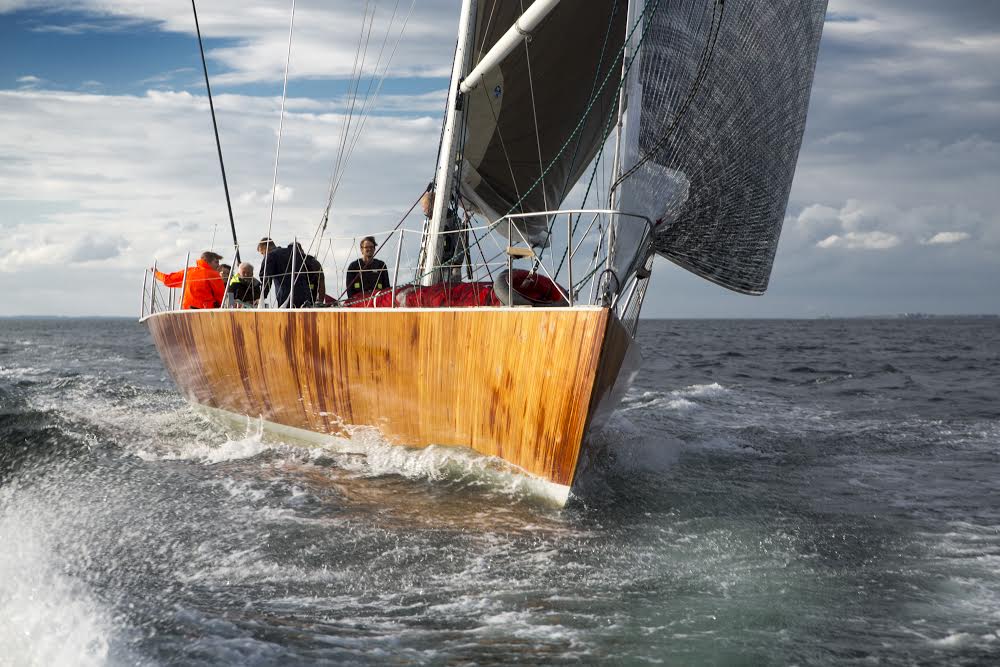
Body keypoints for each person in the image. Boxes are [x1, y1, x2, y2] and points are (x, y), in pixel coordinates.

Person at [150, 251, 225, 310]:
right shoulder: (213, 274)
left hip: (185, 309)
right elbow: (220, 296)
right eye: (216, 262)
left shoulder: (188, 271)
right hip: (205, 311)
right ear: (207, 262)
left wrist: (156, 273)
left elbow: (168, 280)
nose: (218, 265)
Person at [257, 237, 312, 308]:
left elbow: (265, 277)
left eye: (262, 253)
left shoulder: (270, 256)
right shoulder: (294, 252)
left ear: (265, 247)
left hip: (285, 296)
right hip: (305, 294)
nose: (264, 256)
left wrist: (262, 297)